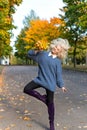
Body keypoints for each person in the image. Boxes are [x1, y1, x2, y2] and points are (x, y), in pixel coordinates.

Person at [23, 38, 70, 130]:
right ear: (53, 45)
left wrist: (62, 85)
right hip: (40, 80)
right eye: (55, 46)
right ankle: (42, 98)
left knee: (51, 104)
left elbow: (58, 75)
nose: (55, 49)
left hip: (50, 84)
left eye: (58, 49)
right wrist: (36, 51)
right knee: (26, 89)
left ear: (60, 52)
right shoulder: (43, 54)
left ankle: (51, 124)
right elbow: (29, 54)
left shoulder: (57, 62)